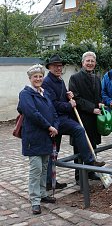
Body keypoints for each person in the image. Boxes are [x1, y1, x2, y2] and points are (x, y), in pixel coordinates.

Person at [42, 54, 105, 185]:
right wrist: (69, 104)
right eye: (55, 66)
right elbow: (52, 104)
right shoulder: (48, 82)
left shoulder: (59, 80)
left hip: (62, 118)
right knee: (54, 150)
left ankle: (51, 181)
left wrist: (67, 95)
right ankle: (51, 181)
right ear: (50, 67)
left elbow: (64, 97)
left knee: (56, 149)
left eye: (60, 66)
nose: (58, 68)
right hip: (55, 120)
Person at [17, 64, 59, 215]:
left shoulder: (45, 93)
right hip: (33, 138)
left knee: (44, 169)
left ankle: (43, 194)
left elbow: (54, 112)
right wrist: (49, 127)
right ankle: (35, 201)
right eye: (35, 76)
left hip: (47, 138)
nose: (38, 79)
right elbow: (33, 114)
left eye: (40, 76)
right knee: (36, 170)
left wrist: (56, 126)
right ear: (30, 78)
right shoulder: (25, 94)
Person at [69, 52, 103, 152]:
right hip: (81, 120)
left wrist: (100, 103)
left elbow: (98, 96)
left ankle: (92, 167)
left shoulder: (97, 78)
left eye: (92, 61)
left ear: (95, 63)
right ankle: (79, 168)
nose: (90, 63)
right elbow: (76, 98)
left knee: (93, 149)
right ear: (82, 63)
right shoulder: (74, 78)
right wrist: (92, 108)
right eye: (88, 61)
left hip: (94, 121)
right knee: (79, 150)